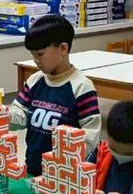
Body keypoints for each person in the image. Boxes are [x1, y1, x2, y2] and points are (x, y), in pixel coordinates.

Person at [9, 14, 101, 176]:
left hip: (65, 174)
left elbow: (91, 134)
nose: (36, 60)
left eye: (40, 54)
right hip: (33, 168)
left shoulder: (81, 87)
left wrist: (68, 159)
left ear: (63, 49)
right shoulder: (35, 80)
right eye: (33, 55)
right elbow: (21, 114)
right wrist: (4, 116)